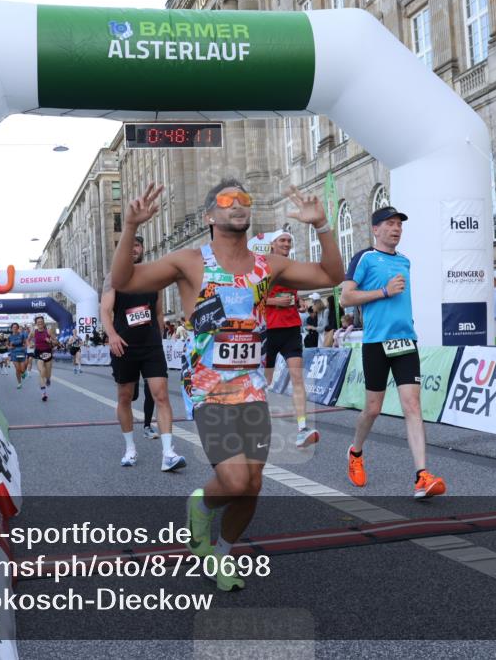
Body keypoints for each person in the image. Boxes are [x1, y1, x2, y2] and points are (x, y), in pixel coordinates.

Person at [110, 180, 343, 591]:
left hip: (252, 388)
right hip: (209, 388)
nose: (238, 204)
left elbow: (332, 274)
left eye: (244, 199)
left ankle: (222, 553)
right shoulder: (189, 262)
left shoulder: (268, 265)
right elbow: (124, 281)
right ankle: (200, 506)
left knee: (252, 485)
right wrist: (130, 226)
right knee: (234, 482)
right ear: (210, 216)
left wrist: (323, 225)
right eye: (226, 199)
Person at [340, 206, 447, 498]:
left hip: (405, 342)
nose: (396, 228)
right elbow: (345, 298)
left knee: (412, 406)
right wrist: (383, 292)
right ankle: (356, 452)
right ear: (375, 229)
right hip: (376, 343)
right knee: (372, 409)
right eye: (389, 224)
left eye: (399, 224)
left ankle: (422, 476)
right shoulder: (364, 258)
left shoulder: (405, 261)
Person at [101, 234, 185, 471]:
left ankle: (168, 453)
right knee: (125, 397)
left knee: (161, 396)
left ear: (142, 249)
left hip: (151, 347)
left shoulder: (152, 278)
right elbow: (105, 311)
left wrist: (159, 337)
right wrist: (112, 335)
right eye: (129, 245)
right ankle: (130, 449)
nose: (133, 249)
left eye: (137, 245)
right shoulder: (114, 279)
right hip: (123, 346)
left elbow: (158, 313)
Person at [260, 230, 319, 448]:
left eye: (288, 241)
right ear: (272, 245)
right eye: (282, 240)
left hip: (291, 328)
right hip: (269, 330)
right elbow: (253, 296)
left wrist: (298, 301)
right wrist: (275, 302)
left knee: (297, 378)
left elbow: (291, 295)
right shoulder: (263, 266)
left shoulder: (293, 266)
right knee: (264, 382)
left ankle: (302, 428)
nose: (286, 243)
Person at [32, 316, 55, 401]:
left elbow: (56, 341)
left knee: (47, 374)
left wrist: (51, 341)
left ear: (43, 322)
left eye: (41, 321)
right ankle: (43, 393)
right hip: (38, 353)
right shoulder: (33, 332)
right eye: (38, 322)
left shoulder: (48, 331)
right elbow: (28, 340)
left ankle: (48, 379)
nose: (40, 323)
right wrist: (30, 344)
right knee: (42, 371)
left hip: (48, 353)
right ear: (36, 323)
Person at [8, 323, 29, 388]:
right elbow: (7, 345)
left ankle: (24, 372)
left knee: (22, 370)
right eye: (13, 327)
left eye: (16, 327)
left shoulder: (22, 335)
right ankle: (19, 383)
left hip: (21, 353)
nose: (15, 328)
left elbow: (26, 342)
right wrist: (10, 347)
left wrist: (25, 347)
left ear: (18, 328)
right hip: (14, 353)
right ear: (11, 328)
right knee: (17, 369)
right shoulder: (10, 337)